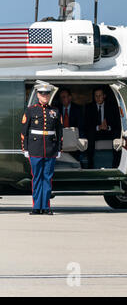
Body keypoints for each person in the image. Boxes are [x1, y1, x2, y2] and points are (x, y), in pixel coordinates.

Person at [21, 81, 63, 215]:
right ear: (38, 95)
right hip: (35, 149)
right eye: (42, 94)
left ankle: (45, 207)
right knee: (37, 178)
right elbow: (24, 131)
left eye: (47, 94)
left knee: (47, 178)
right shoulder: (31, 110)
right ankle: (36, 207)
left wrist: (59, 149)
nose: (45, 96)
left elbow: (59, 131)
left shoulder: (55, 111)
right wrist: (25, 149)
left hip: (50, 149)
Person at [84, 87, 121, 169]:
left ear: (104, 96)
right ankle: (90, 163)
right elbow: (87, 124)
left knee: (117, 134)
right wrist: (98, 127)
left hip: (109, 131)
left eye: (100, 95)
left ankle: (116, 163)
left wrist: (107, 127)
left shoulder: (112, 107)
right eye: (96, 96)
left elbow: (117, 123)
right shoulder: (89, 107)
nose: (98, 98)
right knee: (90, 134)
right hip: (95, 132)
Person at [58, 88, 85, 160]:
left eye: (64, 97)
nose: (62, 99)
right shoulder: (57, 109)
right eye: (61, 98)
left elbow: (81, 125)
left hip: (74, 135)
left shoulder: (78, 109)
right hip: (61, 135)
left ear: (70, 97)